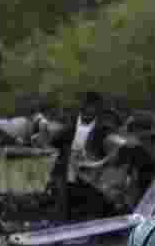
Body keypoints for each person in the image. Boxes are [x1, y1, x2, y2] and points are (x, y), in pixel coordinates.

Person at [44, 91, 119, 220]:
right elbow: (52, 145)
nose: (88, 110)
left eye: (92, 107)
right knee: (67, 213)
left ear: (97, 109)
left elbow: (112, 153)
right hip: (68, 179)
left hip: (93, 180)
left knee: (90, 212)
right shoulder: (69, 129)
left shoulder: (103, 130)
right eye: (86, 106)